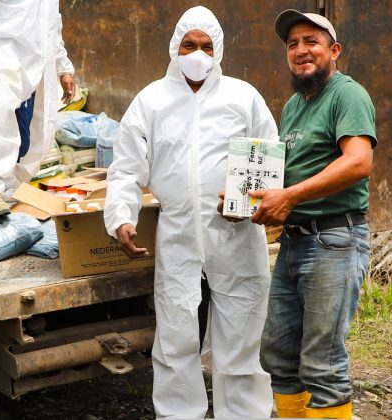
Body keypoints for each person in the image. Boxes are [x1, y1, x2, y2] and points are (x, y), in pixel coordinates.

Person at [102, 6, 277, 419]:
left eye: (206, 45)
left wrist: (248, 206)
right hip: (179, 234)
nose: (197, 53)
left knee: (243, 339)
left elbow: (267, 160)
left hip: (237, 236)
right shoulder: (152, 101)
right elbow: (126, 167)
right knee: (176, 340)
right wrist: (121, 219)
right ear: (173, 48)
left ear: (218, 51)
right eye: (189, 44)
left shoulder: (243, 97)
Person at [249, 9, 376, 419]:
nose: (301, 50)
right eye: (293, 44)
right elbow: (286, 176)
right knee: (280, 356)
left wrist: (291, 196)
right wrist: (245, 199)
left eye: (312, 42)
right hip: (296, 240)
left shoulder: (347, 94)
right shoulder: (293, 106)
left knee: (322, 363)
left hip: (334, 240)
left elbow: (358, 162)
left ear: (334, 50)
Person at [0, 0, 76, 217]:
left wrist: (64, 69)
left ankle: (7, 190)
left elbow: (53, 28)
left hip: (36, 65)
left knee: (30, 132)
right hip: (1, 57)